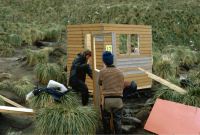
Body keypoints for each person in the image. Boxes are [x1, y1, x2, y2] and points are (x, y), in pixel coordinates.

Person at [98, 51, 124, 134]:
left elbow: (99, 83)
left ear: (104, 61)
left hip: (107, 101)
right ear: (112, 60)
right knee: (118, 121)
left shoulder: (102, 72)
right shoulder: (120, 72)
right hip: (118, 100)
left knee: (106, 122)